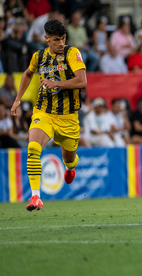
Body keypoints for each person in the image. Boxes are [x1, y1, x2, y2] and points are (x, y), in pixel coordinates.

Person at [11, 19, 86, 211]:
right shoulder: (38, 56)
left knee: (69, 158)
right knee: (33, 148)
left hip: (68, 117)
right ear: (46, 39)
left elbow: (81, 81)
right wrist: (18, 99)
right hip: (44, 112)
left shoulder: (72, 53)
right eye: (56, 40)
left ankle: (70, 168)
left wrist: (56, 83)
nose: (61, 43)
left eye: (63, 38)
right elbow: (28, 74)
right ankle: (36, 197)